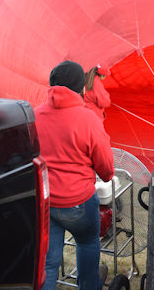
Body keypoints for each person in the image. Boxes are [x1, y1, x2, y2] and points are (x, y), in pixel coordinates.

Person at [36, 60, 114, 290]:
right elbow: (107, 169)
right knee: (88, 243)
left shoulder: (34, 115)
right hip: (79, 201)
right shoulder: (88, 119)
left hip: (46, 202)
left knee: (48, 265)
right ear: (81, 87)